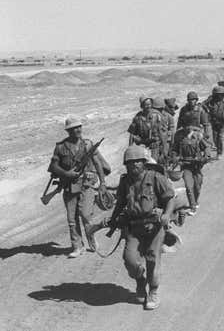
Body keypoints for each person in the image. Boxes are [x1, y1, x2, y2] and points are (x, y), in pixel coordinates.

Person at [108, 145, 175, 310]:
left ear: (143, 162)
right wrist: (113, 219)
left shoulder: (155, 178)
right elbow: (121, 203)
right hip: (133, 227)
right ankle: (140, 281)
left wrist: (166, 215)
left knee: (152, 258)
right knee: (130, 260)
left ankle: (153, 290)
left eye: (137, 162)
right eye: (130, 163)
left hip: (154, 226)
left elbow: (170, 199)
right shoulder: (125, 181)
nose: (133, 165)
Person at [48, 117, 108, 258]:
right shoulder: (60, 147)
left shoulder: (87, 145)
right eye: (75, 128)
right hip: (69, 186)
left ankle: (92, 241)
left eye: (79, 127)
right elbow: (53, 166)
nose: (78, 130)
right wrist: (66, 173)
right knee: (71, 219)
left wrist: (103, 183)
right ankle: (77, 247)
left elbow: (98, 164)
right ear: (68, 131)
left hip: (87, 184)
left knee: (86, 215)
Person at [171, 128, 211, 215]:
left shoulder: (198, 136)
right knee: (189, 187)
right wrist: (175, 158)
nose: (188, 127)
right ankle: (192, 207)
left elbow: (207, 147)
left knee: (197, 186)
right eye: (186, 125)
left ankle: (195, 202)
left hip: (197, 166)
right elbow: (174, 150)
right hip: (185, 166)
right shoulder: (179, 137)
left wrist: (205, 156)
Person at [128, 97, 167, 164]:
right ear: (142, 106)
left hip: (154, 145)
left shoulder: (157, 115)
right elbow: (132, 134)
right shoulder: (138, 117)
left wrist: (164, 149)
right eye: (146, 105)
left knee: (153, 164)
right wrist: (130, 149)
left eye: (149, 104)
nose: (148, 106)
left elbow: (162, 133)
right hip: (142, 145)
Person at [203, 86, 224, 159]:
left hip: (223, 122)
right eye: (218, 94)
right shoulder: (212, 101)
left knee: (221, 138)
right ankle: (218, 149)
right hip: (214, 122)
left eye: (221, 94)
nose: (219, 96)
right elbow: (203, 106)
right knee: (215, 139)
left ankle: (219, 153)